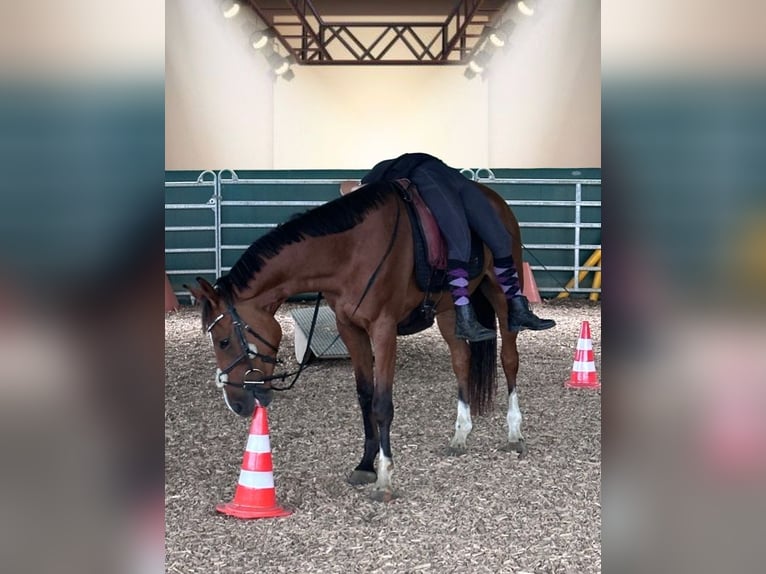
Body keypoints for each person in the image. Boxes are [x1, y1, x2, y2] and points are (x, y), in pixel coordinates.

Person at [361, 152, 555, 342]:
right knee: (459, 241)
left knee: (502, 239)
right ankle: (464, 317)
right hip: (423, 172)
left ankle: (518, 308)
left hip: (444, 171)